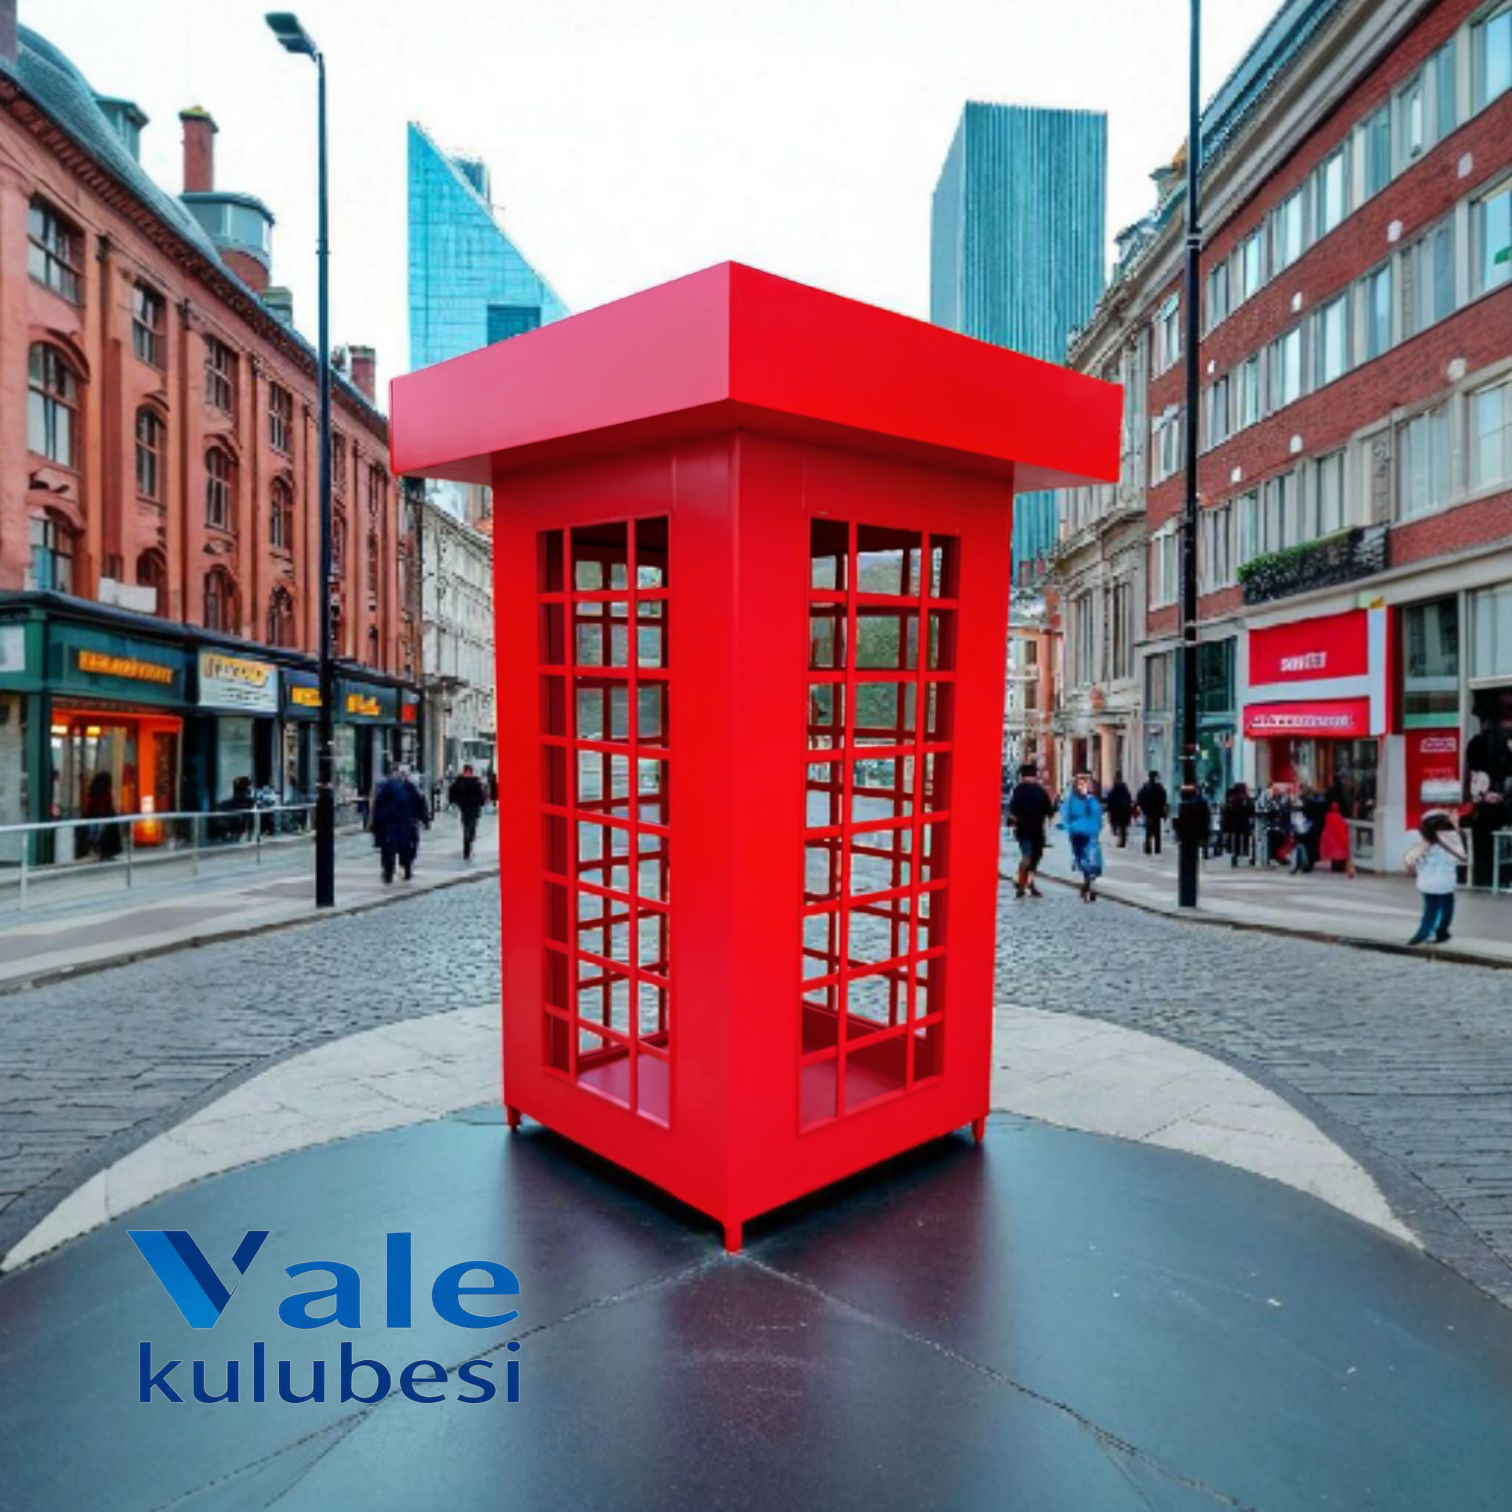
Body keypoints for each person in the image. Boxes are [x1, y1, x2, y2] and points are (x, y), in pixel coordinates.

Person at [1405, 811, 1467, 946]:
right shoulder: (1453, 841)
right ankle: (1441, 932)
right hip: (1446, 881)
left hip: (1427, 882)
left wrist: (1414, 868)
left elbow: (1411, 862)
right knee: (1446, 907)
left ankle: (1424, 933)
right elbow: (1461, 859)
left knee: (1430, 909)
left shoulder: (1422, 842)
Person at [370, 763, 431, 883]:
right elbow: (419, 803)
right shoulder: (407, 786)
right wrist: (424, 819)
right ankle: (403, 869)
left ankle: (389, 872)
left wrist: (375, 824)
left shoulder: (385, 786)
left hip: (391, 824)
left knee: (389, 849)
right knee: (404, 848)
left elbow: (377, 806)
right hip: (402, 824)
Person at [1005, 763, 1053, 899]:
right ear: (1034, 775)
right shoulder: (1041, 790)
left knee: (1026, 855)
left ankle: (1021, 884)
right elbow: (1049, 810)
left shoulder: (1018, 790)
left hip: (1023, 829)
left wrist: (1011, 823)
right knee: (1035, 857)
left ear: (1022, 776)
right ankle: (1029, 883)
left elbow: (1013, 810)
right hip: (1037, 830)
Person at [1063, 771, 1105, 902]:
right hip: (1077, 834)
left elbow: (1097, 814)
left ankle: (1088, 885)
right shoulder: (1072, 799)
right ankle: (1087, 885)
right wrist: (1069, 827)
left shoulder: (1091, 799)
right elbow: (1067, 814)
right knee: (1082, 859)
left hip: (1090, 834)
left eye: (1084, 784)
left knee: (1091, 859)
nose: (1082, 787)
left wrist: (1088, 799)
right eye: (1079, 784)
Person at [448, 763, 488, 861]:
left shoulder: (460, 781)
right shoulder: (474, 781)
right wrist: (482, 802)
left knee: (467, 826)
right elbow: (481, 794)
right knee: (471, 826)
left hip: (465, 808)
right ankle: (469, 840)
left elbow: (452, 792)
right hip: (472, 808)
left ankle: (467, 844)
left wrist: (453, 801)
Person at [82, 770, 122, 861]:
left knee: (95, 834)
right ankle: (104, 851)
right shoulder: (106, 792)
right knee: (104, 834)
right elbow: (107, 804)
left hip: (95, 815)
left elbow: (90, 804)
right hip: (103, 815)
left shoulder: (94, 791)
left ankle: (95, 849)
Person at [1172, 783, 1212, 864]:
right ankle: (1203, 854)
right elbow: (1206, 817)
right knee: (1194, 850)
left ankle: (1192, 860)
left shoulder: (1183, 805)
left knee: (1187, 852)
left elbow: (1179, 820)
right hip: (1197, 831)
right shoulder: (1202, 802)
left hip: (1188, 833)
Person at [1318, 799, 1356, 879]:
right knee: (1339, 854)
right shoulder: (1339, 817)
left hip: (1331, 838)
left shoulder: (1328, 816)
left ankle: (1334, 866)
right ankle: (1339, 867)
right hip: (1338, 839)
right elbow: (1343, 827)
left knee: (1333, 855)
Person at [1220, 783, 1254, 867]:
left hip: (1235, 824)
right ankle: (1242, 854)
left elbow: (1226, 810)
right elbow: (1250, 810)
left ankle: (1236, 854)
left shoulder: (1233, 798)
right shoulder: (1241, 799)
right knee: (1241, 838)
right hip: (1239, 823)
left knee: (1236, 839)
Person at [1136, 771, 1168, 855]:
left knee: (1148, 832)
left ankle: (1148, 848)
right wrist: (1163, 811)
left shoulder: (1146, 787)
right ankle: (1157, 849)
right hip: (1156, 813)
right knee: (1157, 832)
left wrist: (1142, 808)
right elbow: (1163, 799)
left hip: (1149, 812)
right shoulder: (1159, 787)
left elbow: (1139, 798)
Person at [1105, 772, 1134, 848]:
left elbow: (1128, 800)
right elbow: (1110, 800)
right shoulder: (1114, 790)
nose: (1118, 780)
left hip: (1123, 811)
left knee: (1122, 827)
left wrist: (1128, 809)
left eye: (1119, 779)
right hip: (1116, 811)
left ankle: (1122, 841)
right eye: (1117, 779)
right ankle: (1120, 839)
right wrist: (1109, 808)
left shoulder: (1124, 789)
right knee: (1118, 826)